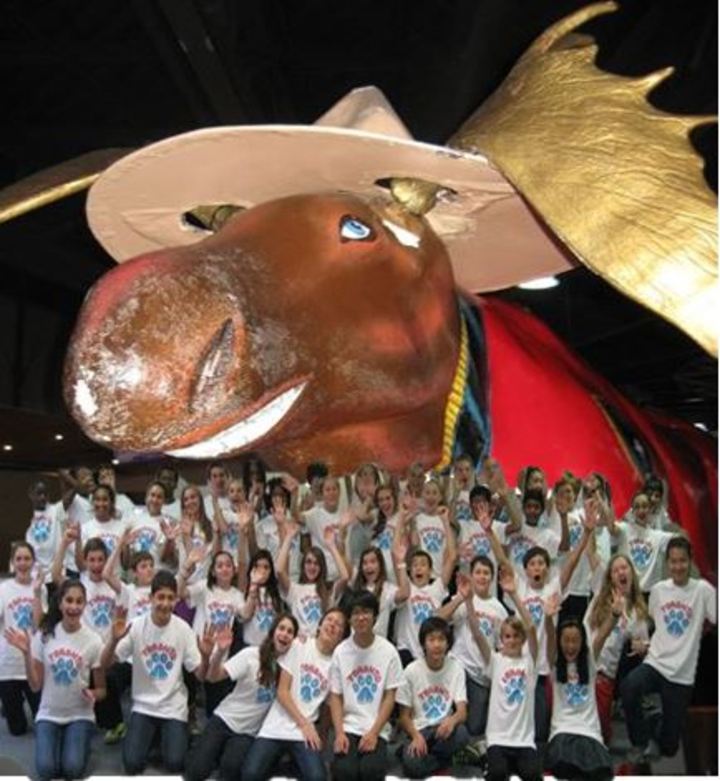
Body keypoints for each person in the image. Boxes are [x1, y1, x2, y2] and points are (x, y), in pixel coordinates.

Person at [620, 537, 717, 766]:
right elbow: (655, 624)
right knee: (629, 687)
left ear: (690, 561)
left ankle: (657, 722)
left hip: (682, 674)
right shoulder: (658, 590)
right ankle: (640, 741)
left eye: (682, 561)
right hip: (656, 663)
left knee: (669, 748)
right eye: (673, 561)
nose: (678, 566)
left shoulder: (703, 590)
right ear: (667, 563)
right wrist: (645, 644)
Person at [100, 570, 207, 775]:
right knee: (132, 764)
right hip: (144, 706)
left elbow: (200, 675)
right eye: (160, 597)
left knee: (175, 763)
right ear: (151, 598)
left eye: (170, 598)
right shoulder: (137, 626)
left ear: (176, 600)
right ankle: (156, 736)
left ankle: (165, 736)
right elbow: (105, 665)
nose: (165, 604)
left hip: (173, 707)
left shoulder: (184, 629)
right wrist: (113, 640)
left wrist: (207, 656)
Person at [5, 579, 106, 781]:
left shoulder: (94, 640)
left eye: (79, 602)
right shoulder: (45, 635)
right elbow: (35, 686)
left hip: (80, 715)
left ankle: (73, 740)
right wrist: (26, 655)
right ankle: (61, 740)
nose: (74, 607)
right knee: (46, 770)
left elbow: (103, 690)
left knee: (72, 769)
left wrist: (93, 693)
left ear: (85, 605)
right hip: (49, 714)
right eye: (69, 600)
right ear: (60, 603)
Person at [185, 612, 299, 781]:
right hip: (225, 718)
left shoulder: (290, 668)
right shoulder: (251, 655)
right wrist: (216, 653)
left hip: (247, 732)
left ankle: (218, 756)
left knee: (230, 771)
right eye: (282, 628)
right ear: (273, 631)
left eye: (290, 632)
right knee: (196, 772)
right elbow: (213, 677)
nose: (285, 634)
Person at [242, 608, 348, 781]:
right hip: (276, 726)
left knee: (318, 777)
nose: (333, 625)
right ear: (319, 626)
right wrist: (304, 723)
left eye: (339, 624)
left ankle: (289, 762)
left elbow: (329, 705)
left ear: (342, 636)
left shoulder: (336, 665)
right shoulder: (300, 645)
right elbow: (282, 692)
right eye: (329, 620)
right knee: (250, 774)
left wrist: (321, 733)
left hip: (304, 734)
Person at [469, 567, 542, 781]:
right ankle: (484, 754)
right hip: (498, 739)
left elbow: (530, 628)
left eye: (515, 636)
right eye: (507, 636)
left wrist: (513, 594)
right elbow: (476, 632)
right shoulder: (496, 661)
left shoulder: (530, 663)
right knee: (497, 774)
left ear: (521, 639)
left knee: (532, 775)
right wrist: (467, 601)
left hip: (523, 741)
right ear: (502, 640)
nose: (511, 640)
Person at [329, 590, 403, 781]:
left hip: (377, 727)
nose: (361, 617)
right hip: (349, 726)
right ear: (349, 618)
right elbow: (335, 697)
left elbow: (389, 696)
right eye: (355, 613)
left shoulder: (388, 651)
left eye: (366, 612)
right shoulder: (340, 652)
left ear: (375, 616)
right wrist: (339, 733)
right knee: (344, 771)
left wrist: (374, 733)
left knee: (370, 771)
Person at [438, 558, 507, 753]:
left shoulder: (498, 608)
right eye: (478, 572)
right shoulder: (460, 598)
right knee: (446, 717)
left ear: (492, 578)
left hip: (482, 675)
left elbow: (501, 647)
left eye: (486, 573)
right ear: (472, 575)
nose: (482, 576)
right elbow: (437, 618)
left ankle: (464, 748)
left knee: (474, 726)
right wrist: (461, 597)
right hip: (458, 666)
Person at [543, 606, 614, 781]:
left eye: (575, 640)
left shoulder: (590, 662)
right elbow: (550, 638)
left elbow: (603, 635)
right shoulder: (555, 663)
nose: (570, 645)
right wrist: (547, 618)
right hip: (562, 732)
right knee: (567, 767)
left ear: (583, 642)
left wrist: (616, 614)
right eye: (566, 640)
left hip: (589, 733)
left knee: (599, 772)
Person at [585, 553, 649, 744]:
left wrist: (642, 647)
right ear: (610, 578)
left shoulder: (636, 611)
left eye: (624, 568)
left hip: (605, 676)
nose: (621, 572)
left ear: (631, 573)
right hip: (583, 667)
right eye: (615, 570)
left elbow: (644, 645)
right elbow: (593, 556)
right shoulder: (599, 594)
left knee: (602, 735)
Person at [397, 616, 470, 778]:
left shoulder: (456, 668)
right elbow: (404, 717)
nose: (437, 645)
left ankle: (426, 758)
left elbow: (462, 712)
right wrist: (415, 736)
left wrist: (451, 721)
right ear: (423, 644)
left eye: (441, 639)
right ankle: (446, 760)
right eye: (431, 639)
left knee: (462, 734)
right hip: (419, 729)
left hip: (443, 730)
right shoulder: (411, 670)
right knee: (412, 766)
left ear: (448, 643)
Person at [178, 548, 246, 714]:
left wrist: (252, 592)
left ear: (234, 570)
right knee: (189, 688)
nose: (224, 569)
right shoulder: (204, 588)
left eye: (228, 565)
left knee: (214, 703)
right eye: (220, 565)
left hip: (220, 654)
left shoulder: (237, 595)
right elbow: (180, 592)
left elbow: (246, 613)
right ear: (213, 571)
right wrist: (186, 567)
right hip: (198, 648)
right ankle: (191, 714)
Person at [0, 542, 44, 735]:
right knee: (17, 730)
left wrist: (35, 593)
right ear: (12, 563)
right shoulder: (3, 588)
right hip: (8, 664)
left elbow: (37, 625)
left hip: (31, 662)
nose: (23, 563)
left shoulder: (39, 588)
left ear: (33, 562)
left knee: (41, 720)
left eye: (27, 559)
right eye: (18, 559)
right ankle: (9, 706)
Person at [277, 522, 348, 639]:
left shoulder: (328, 590)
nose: (312, 567)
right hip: (300, 644)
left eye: (316, 563)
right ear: (303, 565)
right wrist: (289, 537)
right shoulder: (295, 589)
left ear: (322, 567)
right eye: (308, 562)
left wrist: (331, 546)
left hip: (322, 643)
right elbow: (279, 570)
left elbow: (345, 576)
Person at [395, 534, 455, 665]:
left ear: (430, 571)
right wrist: (401, 561)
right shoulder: (407, 587)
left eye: (423, 564)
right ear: (410, 570)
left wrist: (445, 520)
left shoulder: (437, 589)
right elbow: (396, 555)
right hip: (406, 651)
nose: (418, 567)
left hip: (430, 650)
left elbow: (452, 558)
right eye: (414, 565)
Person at [610, 491, 679, 596]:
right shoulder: (625, 529)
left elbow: (682, 538)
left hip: (649, 593)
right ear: (632, 511)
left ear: (650, 509)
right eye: (637, 507)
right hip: (628, 591)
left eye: (644, 506)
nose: (641, 510)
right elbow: (611, 527)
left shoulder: (658, 536)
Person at [241, 550, 285, 646]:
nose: (262, 571)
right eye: (257, 566)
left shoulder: (277, 592)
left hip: (271, 645)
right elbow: (245, 616)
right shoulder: (245, 589)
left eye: (266, 567)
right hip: (250, 645)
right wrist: (253, 586)